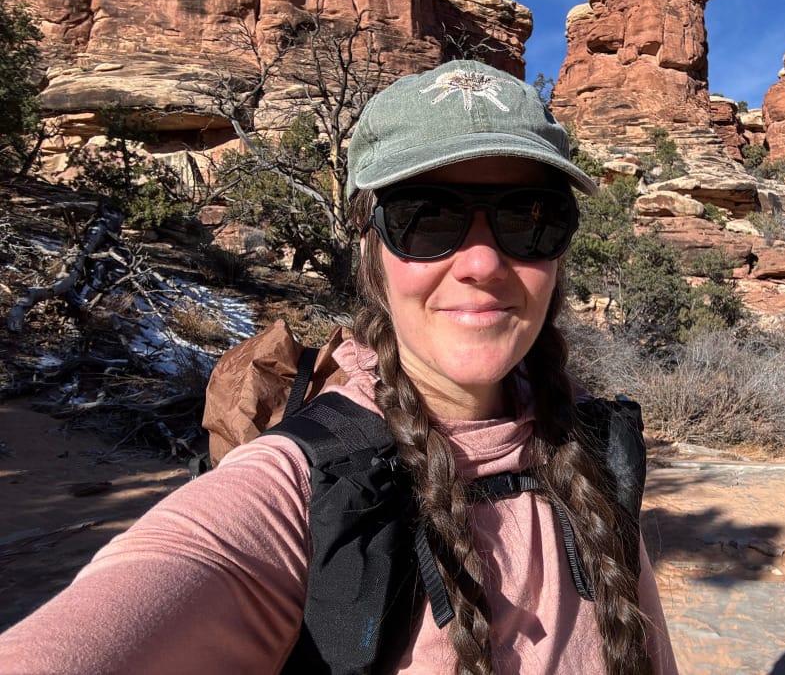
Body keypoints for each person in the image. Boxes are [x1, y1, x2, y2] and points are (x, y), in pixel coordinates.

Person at [0, 59, 678, 674]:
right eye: (427, 219)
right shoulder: (297, 486)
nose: (482, 264)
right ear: (366, 250)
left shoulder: (592, 449)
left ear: (560, 252)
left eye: (530, 219)